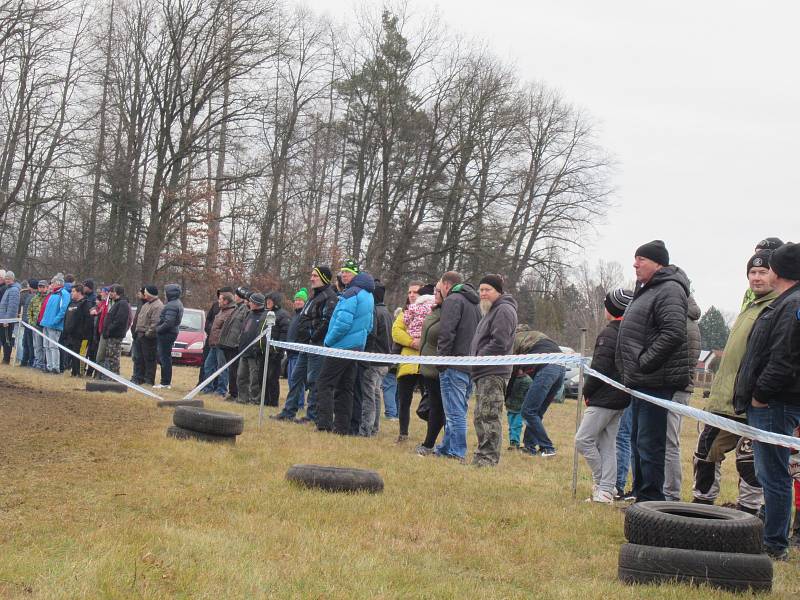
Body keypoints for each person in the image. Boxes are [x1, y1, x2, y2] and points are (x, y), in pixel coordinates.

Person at [692, 251, 777, 514]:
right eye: (753, 272)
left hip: (754, 401)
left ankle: (749, 513)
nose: (757, 277)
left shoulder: (777, 307)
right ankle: (702, 505)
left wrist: (759, 394)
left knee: (749, 460)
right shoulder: (750, 307)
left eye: (763, 272)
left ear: (776, 274)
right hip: (725, 400)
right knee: (706, 451)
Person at [734, 242, 800, 561]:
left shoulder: (791, 305)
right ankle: (771, 535)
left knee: (773, 475)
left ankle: (774, 544)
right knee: (769, 473)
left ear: (781, 271)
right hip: (772, 402)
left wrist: (760, 395)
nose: (764, 272)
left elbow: (784, 358)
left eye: (769, 267)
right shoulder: (785, 302)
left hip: (774, 404)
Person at [616, 240, 690, 502]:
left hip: (655, 381)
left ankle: (651, 501)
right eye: (635, 258)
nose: (635, 264)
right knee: (638, 440)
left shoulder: (669, 289)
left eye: (641, 259)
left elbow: (673, 333)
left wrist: (644, 362)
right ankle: (640, 495)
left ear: (658, 263)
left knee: (650, 444)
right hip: (642, 381)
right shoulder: (647, 289)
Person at [576, 288, 633, 503]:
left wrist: (587, 391)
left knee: (583, 440)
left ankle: (601, 484)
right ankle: (607, 491)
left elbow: (598, 368)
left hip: (604, 398)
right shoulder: (627, 333)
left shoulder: (609, 333)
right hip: (620, 398)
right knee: (608, 444)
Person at [316, 260, 374, 434]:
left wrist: (328, 341)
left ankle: (323, 424)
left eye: (347, 272)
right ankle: (342, 427)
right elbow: (369, 325)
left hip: (340, 347)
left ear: (355, 275)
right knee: (346, 387)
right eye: (342, 272)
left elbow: (342, 323)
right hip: (357, 347)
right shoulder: (368, 295)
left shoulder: (351, 294)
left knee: (324, 383)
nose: (343, 275)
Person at [274, 266, 338, 423]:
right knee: (296, 378)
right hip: (304, 346)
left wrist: (312, 336)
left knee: (313, 381)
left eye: (315, 276)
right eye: (311, 275)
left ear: (323, 278)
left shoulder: (329, 297)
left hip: (316, 346)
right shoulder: (313, 296)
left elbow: (326, 321)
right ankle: (288, 411)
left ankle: (311, 416)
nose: (311, 278)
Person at [470, 274, 518, 467]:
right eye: (481, 290)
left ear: (498, 291)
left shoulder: (504, 310)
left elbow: (500, 342)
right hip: (483, 371)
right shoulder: (490, 310)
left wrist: (479, 355)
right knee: (480, 416)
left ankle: (488, 459)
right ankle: (481, 455)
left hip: (493, 371)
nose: (483, 294)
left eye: (487, 290)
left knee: (490, 416)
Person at [436, 271, 481, 461]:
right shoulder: (474, 303)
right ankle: (446, 447)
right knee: (457, 409)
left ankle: (457, 452)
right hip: (469, 364)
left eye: (439, 288)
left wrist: (441, 361)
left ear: (447, 285)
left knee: (455, 412)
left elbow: (446, 332)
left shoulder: (454, 300)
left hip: (453, 364)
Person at [663, 294, 702, 501]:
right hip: (678, 388)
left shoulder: (682, 322)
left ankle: (671, 494)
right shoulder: (689, 320)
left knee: (670, 443)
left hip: (676, 389)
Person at [513, 325, 564, 457]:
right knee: (536, 411)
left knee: (527, 411)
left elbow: (511, 367)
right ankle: (529, 447)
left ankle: (548, 447)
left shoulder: (517, 338)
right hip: (561, 367)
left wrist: (506, 394)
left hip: (547, 367)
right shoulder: (538, 335)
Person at [391, 281, 431, 442]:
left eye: (416, 292)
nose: (412, 295)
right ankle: (403, 434)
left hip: (426, 363)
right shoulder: (404, 313)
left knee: (429, 401)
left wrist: (424, 341)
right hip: (407, 361)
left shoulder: (432, 310)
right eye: (409, 292)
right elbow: (396, 331)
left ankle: (430, 437)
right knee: (404, 400)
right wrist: (412, 342)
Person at [359, 279, 392, 437]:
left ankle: (366, 428)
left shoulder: (375, 311)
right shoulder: (387, 312)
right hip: (384, 360)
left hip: (374, 360)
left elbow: (371, 335)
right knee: (376, 394)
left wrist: (366, 357)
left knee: (369, 395)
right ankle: (374, 427)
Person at [219, 287, 250, 400]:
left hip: (235, 345)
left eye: (237, 295)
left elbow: (243, 329)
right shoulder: (237, 308)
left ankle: (235, 393)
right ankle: (232, 392)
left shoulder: (245, 310)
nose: (235, 297)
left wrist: (238, 342)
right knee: (232, 370)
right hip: (229, 344)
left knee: (235, 371)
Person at [202, 291, 235, 396]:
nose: (218, 301)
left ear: (225, 301)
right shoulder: (221, 311)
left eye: (220, 299)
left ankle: (221, 391)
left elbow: (226, 331)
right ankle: (208, 388)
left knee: (222, 368)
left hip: (221, 345)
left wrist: (219, 341)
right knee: (208, 366)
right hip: (214, 345)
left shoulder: (231, 313)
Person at [237, 293, 268, 404]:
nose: (249, 303)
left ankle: (255, 399)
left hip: (254, 353)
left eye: (251, 301)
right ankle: (242, 398)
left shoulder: (264, 316)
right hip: (244, 351)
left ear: (256, 303)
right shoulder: (249, 314)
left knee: (254, 378)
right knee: (241, 376)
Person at [39, 275, 71, 374]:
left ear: (58, 283)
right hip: (46, 323)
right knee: (46, 346)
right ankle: (49, 366)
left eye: (52, 283)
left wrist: (55, 321)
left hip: (54, 325)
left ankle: (55, 367)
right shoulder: (52, 293)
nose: (51, 285)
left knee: (53, 346)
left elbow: (63, 309)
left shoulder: (64, 293)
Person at [155, 284, 183, 389]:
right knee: (165, 357)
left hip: (167, 334)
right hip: (171, 332)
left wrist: (158, 329)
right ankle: (166, 382)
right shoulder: (177, 303)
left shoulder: (172, 305)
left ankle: (165, 383)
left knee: (164, 358)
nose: (164, 294)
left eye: (166, 292)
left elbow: (168, 322)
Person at [264, 291, 290, 407]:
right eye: (267, 300)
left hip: (275, 352)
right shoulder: (268, 313)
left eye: (270, 300)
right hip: (265, 351)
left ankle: (273, 402)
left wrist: (278, 349)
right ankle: (265, 400)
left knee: (272, 378)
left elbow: (284, 333)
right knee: (264, 377)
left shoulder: (283, 315)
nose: (267, 302)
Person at [133, 285, 163, 386]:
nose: (144, 294)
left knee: (149, 360)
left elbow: (155, 323)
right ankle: (138, 378)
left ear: (150, 294)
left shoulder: (158, 306)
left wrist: (148, 334)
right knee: (139, 359)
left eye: (145, 292)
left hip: (148, 338)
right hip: (140, 335)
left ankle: (149, 380)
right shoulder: (146, 305)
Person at [284, 288, 308, 406]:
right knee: (290, 380)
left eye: (300, 300)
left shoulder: (304, 315)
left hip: (298, 353)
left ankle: (299, 403)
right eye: (296, 300)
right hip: (290, 352)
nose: (297, 302)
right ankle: (293, 402)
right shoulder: (294, 316)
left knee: (297, 380)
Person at [62, 284, 92, 376]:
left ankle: (79, 373)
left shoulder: (86, 304)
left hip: (81, 336)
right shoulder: (71, 303)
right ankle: (72, 371)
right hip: (69, 335)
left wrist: (83, 333)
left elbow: (88, 321)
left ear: (79, 292)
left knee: (79, 355)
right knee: (70, 354)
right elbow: (66, 317)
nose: (71, 293)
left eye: (73, 291)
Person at [102, 285, 130, 376]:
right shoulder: (117, 303)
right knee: (109, 355)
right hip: (111, 334)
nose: (110, 293)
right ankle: (109, 375)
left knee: (113, 356)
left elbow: (119, 320)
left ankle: (114, 375)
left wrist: (109, 329)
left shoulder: (123, 304)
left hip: (115, 335)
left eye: (112, 291)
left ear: (117, 292)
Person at [505, 368, 532, 451]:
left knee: (516, 425)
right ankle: (512, 442)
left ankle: (515, 443)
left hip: (520, 408)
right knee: (511, 425)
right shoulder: (512, 379)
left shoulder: (528, 381)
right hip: (511, 406)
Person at [0, 270, 21, 364]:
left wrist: (7, 320)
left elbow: (12, 306)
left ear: (13, 279)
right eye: (6, 278)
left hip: (7, 320)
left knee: (7, 340)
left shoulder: (14, 290)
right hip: (3, 318)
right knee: (3, 339)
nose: (7, 280)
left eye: (9, 279)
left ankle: (6, 359)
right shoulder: (8, 288)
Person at [18, 279, 36, 367]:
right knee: (24, 343)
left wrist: (30, 321)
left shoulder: (34, 297)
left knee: (30, 344)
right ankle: (24, 361)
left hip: (30, 324)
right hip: (25, 322)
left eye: (29, 285)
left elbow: (32, 311)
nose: (27, 286)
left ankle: (31, 362)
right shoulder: (28, 295)